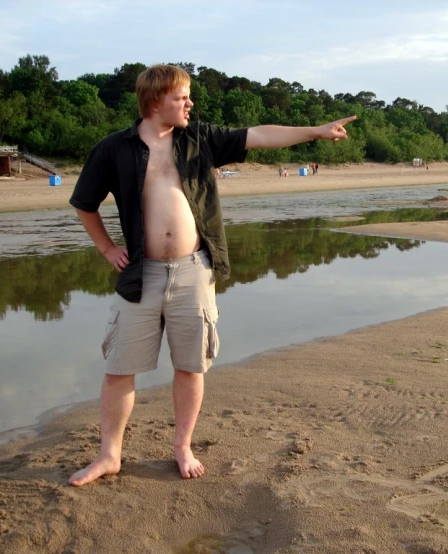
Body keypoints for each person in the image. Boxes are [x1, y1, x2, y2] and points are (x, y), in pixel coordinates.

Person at [67, 64, 356, 487]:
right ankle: (110, 456)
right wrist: (108, 248)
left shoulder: (200, 138)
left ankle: (182, 446)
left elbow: (259, 134)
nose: (190, 104)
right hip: (139, 276)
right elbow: (84, 203)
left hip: (193, 271)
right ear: (154, 101)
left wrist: (313, 131)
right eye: (181, 97)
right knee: (118, 368)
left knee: (190, 367)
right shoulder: (113, 149)